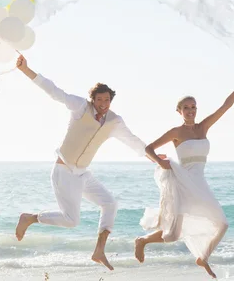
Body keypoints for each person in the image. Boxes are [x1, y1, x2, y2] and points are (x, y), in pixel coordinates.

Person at [13, 54, 151, 271]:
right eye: (99, 100)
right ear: (92, 99)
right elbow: (55, 91)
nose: (103, 104)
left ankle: (99, 250)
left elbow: (133, 141)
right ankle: (30, 218)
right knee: (71, 221)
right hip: (64, 170)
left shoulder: (115, 121)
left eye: (107, 100)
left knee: (110, 204)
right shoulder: (80, 107)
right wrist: (26, 71)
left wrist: (154, 157)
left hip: (83, 174)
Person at [135, 69, 234, 279]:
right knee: (172, 235)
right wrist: (160, 162)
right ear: (179, 111)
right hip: (182, 182)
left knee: (223, 224)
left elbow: (227, 105)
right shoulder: (176, 132)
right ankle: (142, 241)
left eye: (193, 107)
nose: (190, 111)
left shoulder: (203, 128)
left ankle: (202, 257)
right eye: (186, 108)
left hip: (200, 183)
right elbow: (148, 149)